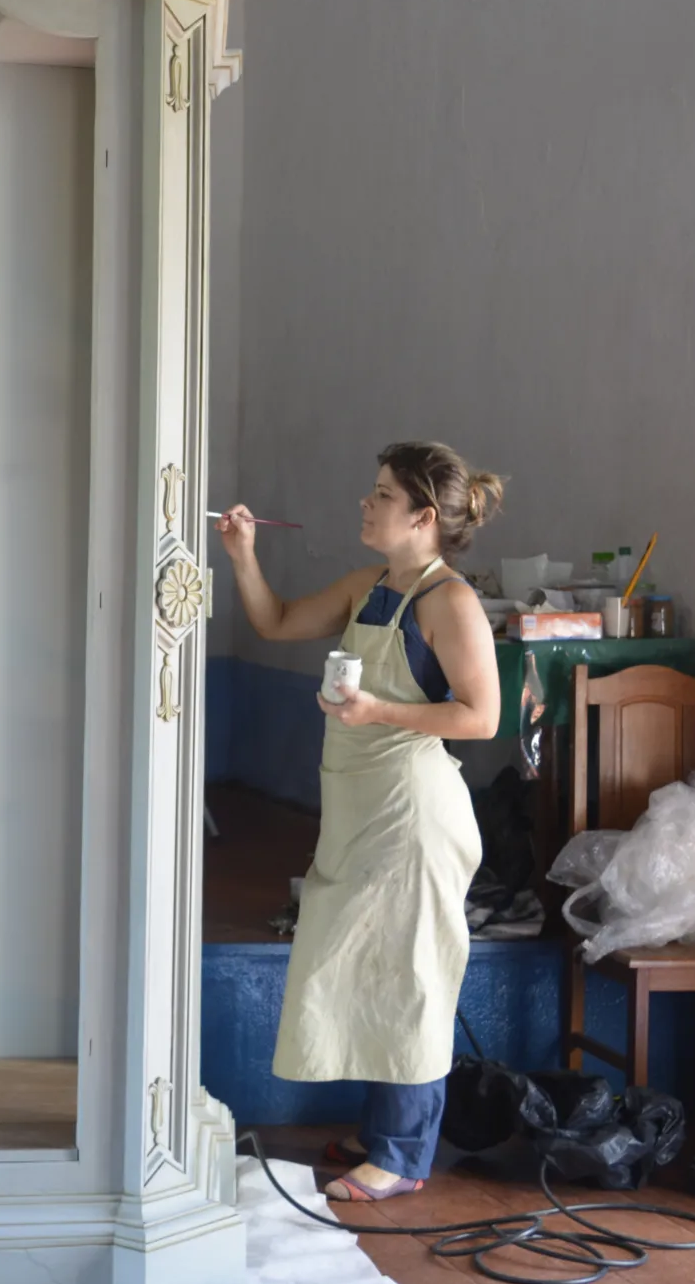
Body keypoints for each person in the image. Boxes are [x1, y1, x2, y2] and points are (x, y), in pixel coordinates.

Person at [216, 442, 505, 1201]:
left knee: (410, 974)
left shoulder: (452, 603)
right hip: (360, 811)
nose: (365, 505)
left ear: (424, 516)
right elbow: (276, 621)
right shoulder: (364, 586)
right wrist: (242, 553)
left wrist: (379, 710)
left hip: (414, 815)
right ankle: (383, 1134)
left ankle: (405, 1155)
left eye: (381, 495)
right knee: (365, 964)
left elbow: (481, 716)